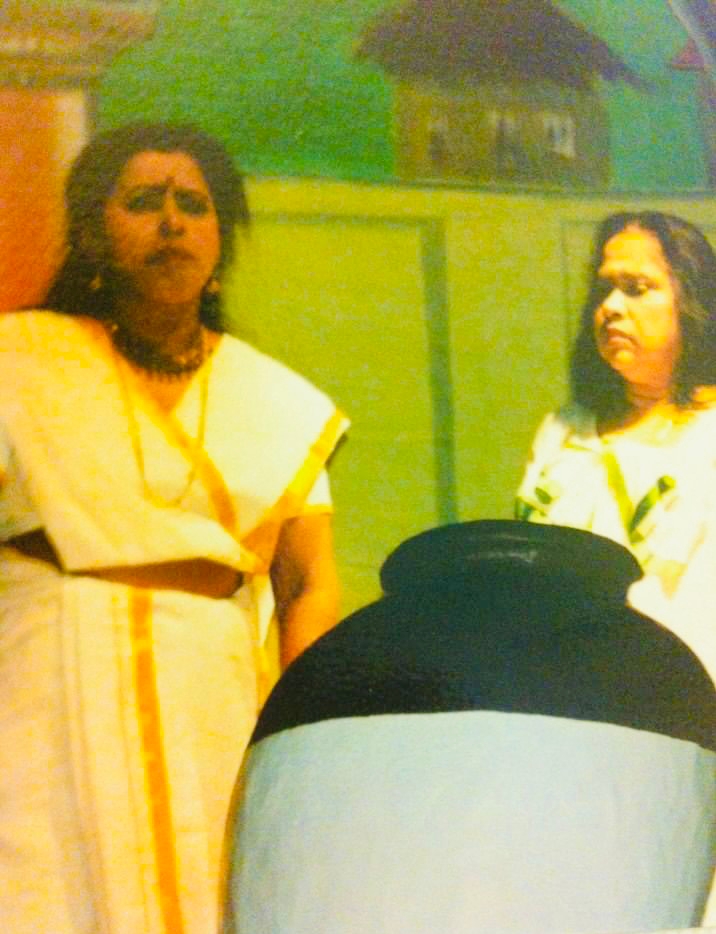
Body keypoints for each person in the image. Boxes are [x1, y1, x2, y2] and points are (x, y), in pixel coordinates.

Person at [0, 123, 348, 932]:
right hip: (43, 679)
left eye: (193, 205)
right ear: (93, 231)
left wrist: (301, 737)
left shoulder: (277, 401)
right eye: (142, 202)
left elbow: (308, 583)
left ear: (221, 238)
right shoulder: (19, 361)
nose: (171, 222)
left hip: (208, 691)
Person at [516, 211, 716, 691]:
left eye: (636, 288)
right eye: (603, 289)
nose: (610, 307)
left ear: (693, 301)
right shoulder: (563, 430)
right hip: (565, 693)